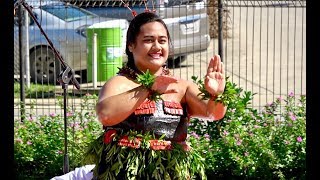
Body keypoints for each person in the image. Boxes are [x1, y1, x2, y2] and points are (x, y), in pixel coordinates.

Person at [52, 11, 226, 180]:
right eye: (148, 40)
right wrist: (148, 88)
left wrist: (215, 95)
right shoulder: (119, 83)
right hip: (123, 173)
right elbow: (106, 114)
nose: (157, 47)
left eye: (162, 41)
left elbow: (214, 113)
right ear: (131, 45)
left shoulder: (182, 87)